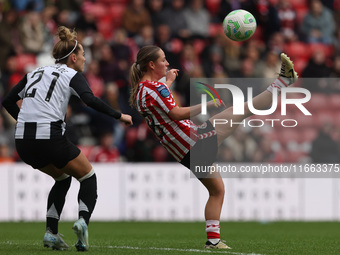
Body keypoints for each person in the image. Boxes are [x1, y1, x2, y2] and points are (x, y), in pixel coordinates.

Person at [129, 45, 297, 249]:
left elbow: (159, 105)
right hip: (195, 140)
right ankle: (283, 81)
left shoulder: (139, 92)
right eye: (163, 60)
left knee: (217, 191)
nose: (167, 63)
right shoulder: (157, 88)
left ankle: (213, 240)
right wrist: (206, 105)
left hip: (183, 152)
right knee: (243, 109)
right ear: (151, 64)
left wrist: (169, 82)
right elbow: (176, 113)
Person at [1, 26, 133, 251]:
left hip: (22, 141)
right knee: (88, 176)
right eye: (82, 55)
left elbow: (7, 101)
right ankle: (82, 222)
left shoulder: (33, 72)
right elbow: (89, 100)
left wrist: (23, 120)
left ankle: (51, 233)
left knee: (62, 179)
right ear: (73, 57)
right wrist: (119, 115)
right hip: (49, 136)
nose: (84, 59)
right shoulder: (72, 75)